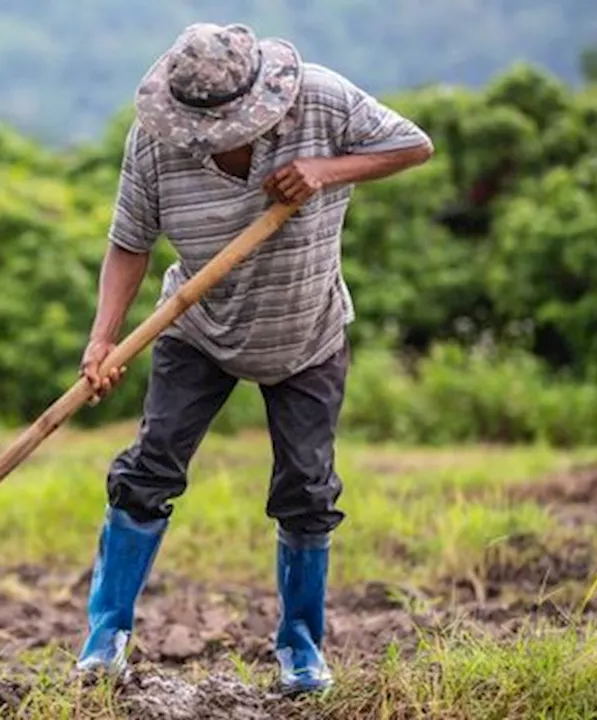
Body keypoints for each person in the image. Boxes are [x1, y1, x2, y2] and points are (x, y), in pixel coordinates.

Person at [74, 22, 434, 695]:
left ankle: (301, 648)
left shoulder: (323, 101)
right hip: (197, 326)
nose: (211, 141)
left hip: (307, 330)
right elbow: (129, 242)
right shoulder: (155, 140)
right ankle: (105, 639)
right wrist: (103, 339)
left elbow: (413, 145)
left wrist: (326, 170)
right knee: (148, 471)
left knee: (306, 489)